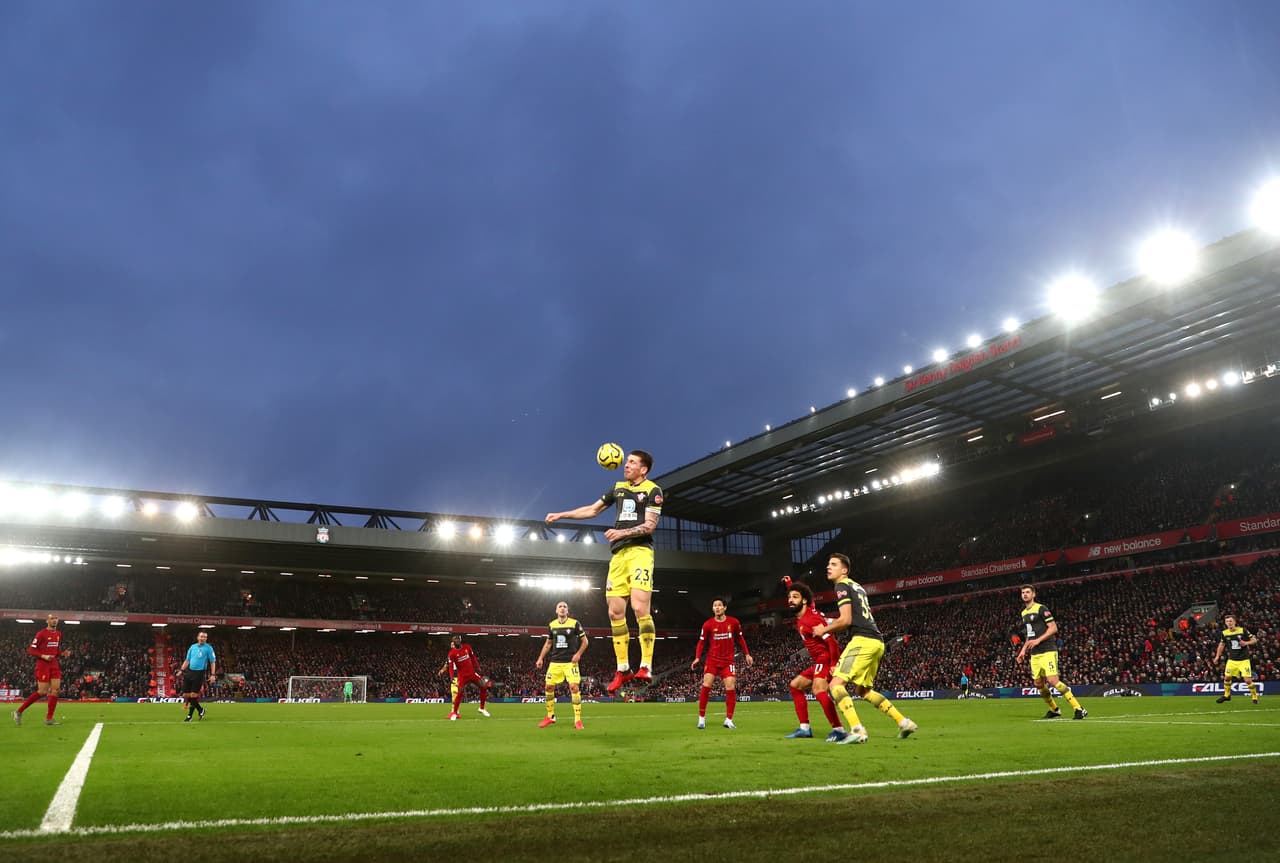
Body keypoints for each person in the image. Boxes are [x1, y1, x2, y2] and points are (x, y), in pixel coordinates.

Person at [546, 449, 663, 693]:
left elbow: (650, 526)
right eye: (626, 461)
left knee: (640, 607)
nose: (626, 465)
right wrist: (561, 514)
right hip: (618, 555)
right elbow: (592, 510)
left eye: (632, 462)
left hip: (640, 552)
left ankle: (646, 665)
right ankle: (623, 669)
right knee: (614, 612)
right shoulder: (618, 488)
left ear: (644, 469)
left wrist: (621, 532)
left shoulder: (653, 490)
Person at [811, 554, 917, 744]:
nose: (828, 567)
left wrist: (823, 629)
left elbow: (845, 620)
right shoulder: (856, 586)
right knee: (864, 691)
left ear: (844, 570)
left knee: (835, 685)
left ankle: (857, 730)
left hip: (863, 640)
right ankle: (903, 722)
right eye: (828, 564)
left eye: (834, 565)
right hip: (877, 641)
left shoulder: (841, 586)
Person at [782, 582, 847, 742]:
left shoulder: (811, 619)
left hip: (825, 659)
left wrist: (833, 664)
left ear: (803, 601)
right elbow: (807, 598)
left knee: (819, 690)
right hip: (819, 660)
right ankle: (804, 729)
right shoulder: (807, 610)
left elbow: (832, 642)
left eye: (795, 597)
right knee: (795, 686)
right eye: (789, 597)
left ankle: (838, 730)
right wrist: (791, 586)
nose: (790, 600)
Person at [1015, 584, 1086, 719]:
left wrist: (1038, 640)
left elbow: (1053, 628)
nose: (1025, 594)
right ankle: (1054, 710)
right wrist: (1022, 651)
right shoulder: (1023, 613)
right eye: (1023, 592)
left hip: (1047, 649)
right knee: (1038, 683)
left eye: (1027, 592)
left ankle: (1079, 709)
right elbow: (1030, 635)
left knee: (1053, 680)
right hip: (1035, 653)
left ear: (1033, 594)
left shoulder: (1041, 608)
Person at [691, 598, 753, 729]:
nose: (717, 608)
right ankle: (701, 718)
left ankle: (729, 719)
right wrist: (697, 657)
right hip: (712, 660)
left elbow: (740, 638)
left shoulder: (734, 622)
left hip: (728, 661)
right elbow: (701, 642)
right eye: (715, 606)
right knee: (706, 685)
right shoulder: (707, 624)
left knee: (730, 687)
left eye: (720, 605)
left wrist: (747, 654)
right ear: (712, 609)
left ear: (725, 608)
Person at [535, 600, 589, 729]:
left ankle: (577, 720)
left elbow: (585, 641)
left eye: (565, 606)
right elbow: (548, 644)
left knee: (574, 687)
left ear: (567, 610)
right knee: (548, 687)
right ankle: (550, 716)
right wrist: (540, 658)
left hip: (570, 662)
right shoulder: (552, 625)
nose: (562, 608)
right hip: (555, 662)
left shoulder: (574, 624)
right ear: (556, 610)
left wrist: (578, 654)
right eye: (560, 606)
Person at [13, 613, 67, 727]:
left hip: (54, 664)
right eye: (52, 618)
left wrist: (62, 654)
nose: (54, 620)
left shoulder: (58, 634)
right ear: (47, 621)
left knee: (56, 690)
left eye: (56, 618)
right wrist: (44, 656)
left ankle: (49, 718)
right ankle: (19, 711)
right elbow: (31, 650)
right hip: (43, 665)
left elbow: (56, 651)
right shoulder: (41, 634)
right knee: (42, 691)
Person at [437, 635, 491, 720]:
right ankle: (454, 712)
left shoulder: (467, 647)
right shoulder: (452, 653)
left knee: (484, 686)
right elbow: (450, 666)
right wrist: (451, 676)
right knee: (460, 692)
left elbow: (473, 657)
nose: (456, 641)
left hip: (472, 673)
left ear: (460, 640)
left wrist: (477, 667)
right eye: (455, 640)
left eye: (458, 639)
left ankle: (482, 708)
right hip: (462, 676)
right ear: (453, 643)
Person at [1213, 614, 1260, 705]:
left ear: (1235, 622)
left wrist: (1246, 643)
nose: (1229, 623)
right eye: (1227, 621)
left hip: (1243, 660)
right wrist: (1217, 656)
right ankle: (1227, 695)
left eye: (1230, 621)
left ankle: (1254, 696)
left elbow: (1254, 640)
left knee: (1247, 680)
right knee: (1227, 677)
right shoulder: (1224, 633)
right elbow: (1221, 645)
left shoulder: (1242, 630)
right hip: (1232, 660)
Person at [179, 630, 217, 722]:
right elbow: (187, 660)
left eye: (205, 637)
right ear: (198, 637)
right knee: (186, 694)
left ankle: (189, 716)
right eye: (201, 636)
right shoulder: (192, 647)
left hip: (199, 673)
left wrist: (212, 675)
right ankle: (201, 710)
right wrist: (181, 670)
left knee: (193, 695)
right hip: (189, 672)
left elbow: (212, 662)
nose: (203, 638)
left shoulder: (208, 648)